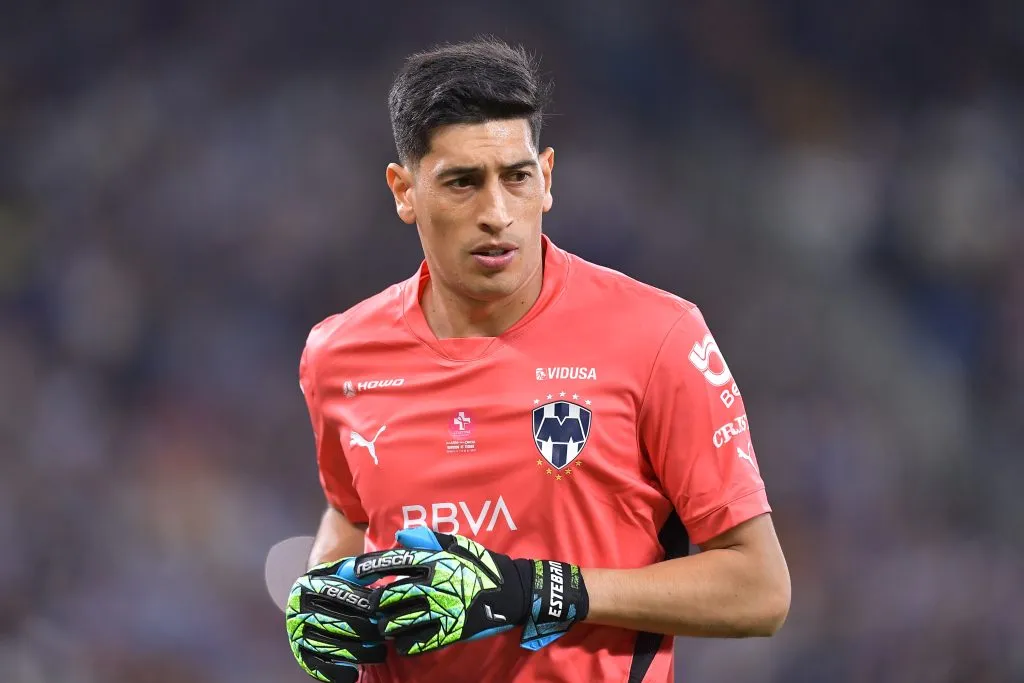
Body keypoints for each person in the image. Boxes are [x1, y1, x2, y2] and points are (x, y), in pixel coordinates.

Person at [285, 37, 791, 683]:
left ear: (546, 177)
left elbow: (759, 589)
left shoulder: (658, 337)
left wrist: (542, 590)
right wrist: (324, 593)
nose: (496, 214)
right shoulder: (339, 355)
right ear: (404, 190)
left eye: (516, 177)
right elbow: (352, 515)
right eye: (463, 183)